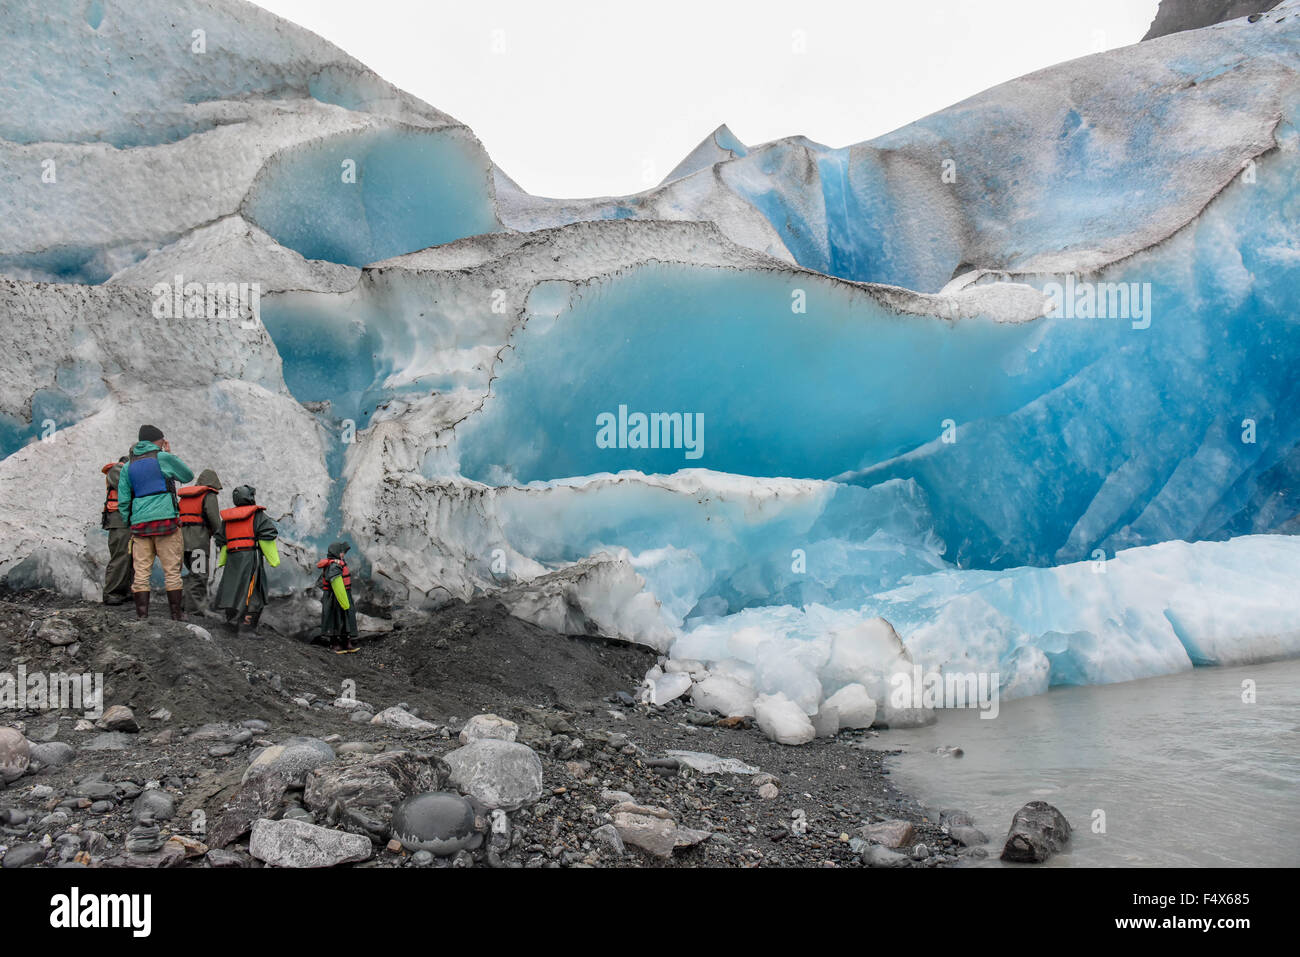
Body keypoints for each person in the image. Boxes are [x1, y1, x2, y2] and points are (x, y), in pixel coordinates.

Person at [117, 425, 193, 621]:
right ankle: (176, 614)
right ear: (157, 441)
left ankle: (142, 616)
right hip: (166, 521)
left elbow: (124, 500)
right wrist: (169, 453)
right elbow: (187, 476)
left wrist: (130, 522)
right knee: (172, 571)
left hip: (140, 526)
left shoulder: (127, 466)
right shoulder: (163, 458)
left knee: (141, 572)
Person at [213, 485, 279, 636]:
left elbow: (220, 539)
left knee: (232, 588)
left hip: (232, 559)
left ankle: (231, 622)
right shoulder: (257, 515)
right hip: (250, 558)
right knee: (253, 591)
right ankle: (246, 628)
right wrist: (271, 558)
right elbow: (269, 533)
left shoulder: (228, 519)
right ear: (250, 497)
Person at [177, 469, 223, 616]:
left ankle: (184, 604)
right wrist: (222, 537)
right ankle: (195, 610)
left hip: (182, 543)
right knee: (199, 575)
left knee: (191, 574)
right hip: (199, 544)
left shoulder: (185, 497)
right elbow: (215, 520)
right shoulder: (208, 495)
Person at [100, 456, 132, 605]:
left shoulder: (122, 470)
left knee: (130, 556)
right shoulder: (117, 470)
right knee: (121, 555)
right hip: (119, 519)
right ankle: (112, 592)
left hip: (127, 519)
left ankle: (125, 591)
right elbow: (127, 487)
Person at [317, 541, 359, 654]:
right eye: (341, 552)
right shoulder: (334, 566)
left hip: (344, 595)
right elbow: (337, 585)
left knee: (345, 619)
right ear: (336, 553)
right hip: (335, 598)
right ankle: (335, 643)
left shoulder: (339, 563)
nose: (343, 554)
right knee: (335, 619)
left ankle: (347, 642)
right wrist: (345, 602)